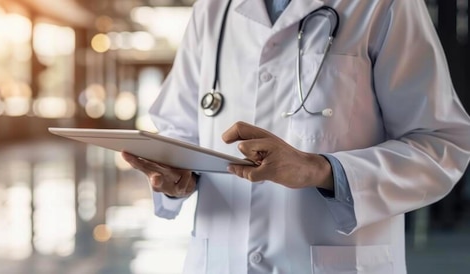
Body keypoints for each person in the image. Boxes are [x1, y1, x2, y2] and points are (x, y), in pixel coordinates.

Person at [122, 0, 470, 273]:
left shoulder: (383, 5)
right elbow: (179, 127)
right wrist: (177, 174)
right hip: (219, 260)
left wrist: (319, 170)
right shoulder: (213, 9)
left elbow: (441, 144)